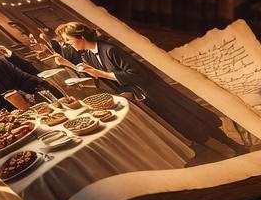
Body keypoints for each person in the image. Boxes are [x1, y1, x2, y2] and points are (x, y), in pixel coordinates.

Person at [53, 21, 250, 155]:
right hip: (144, 96)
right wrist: (69, 65)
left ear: (79, 37)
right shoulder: (87, 55)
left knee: (191, 118)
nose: (67, 44)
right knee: (182, 126)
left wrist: (102, 74)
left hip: (155, 91)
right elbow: (97, 75)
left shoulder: (110, 49)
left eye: (68, 40)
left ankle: (234, 146)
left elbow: (137, 75)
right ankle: (219, 150)